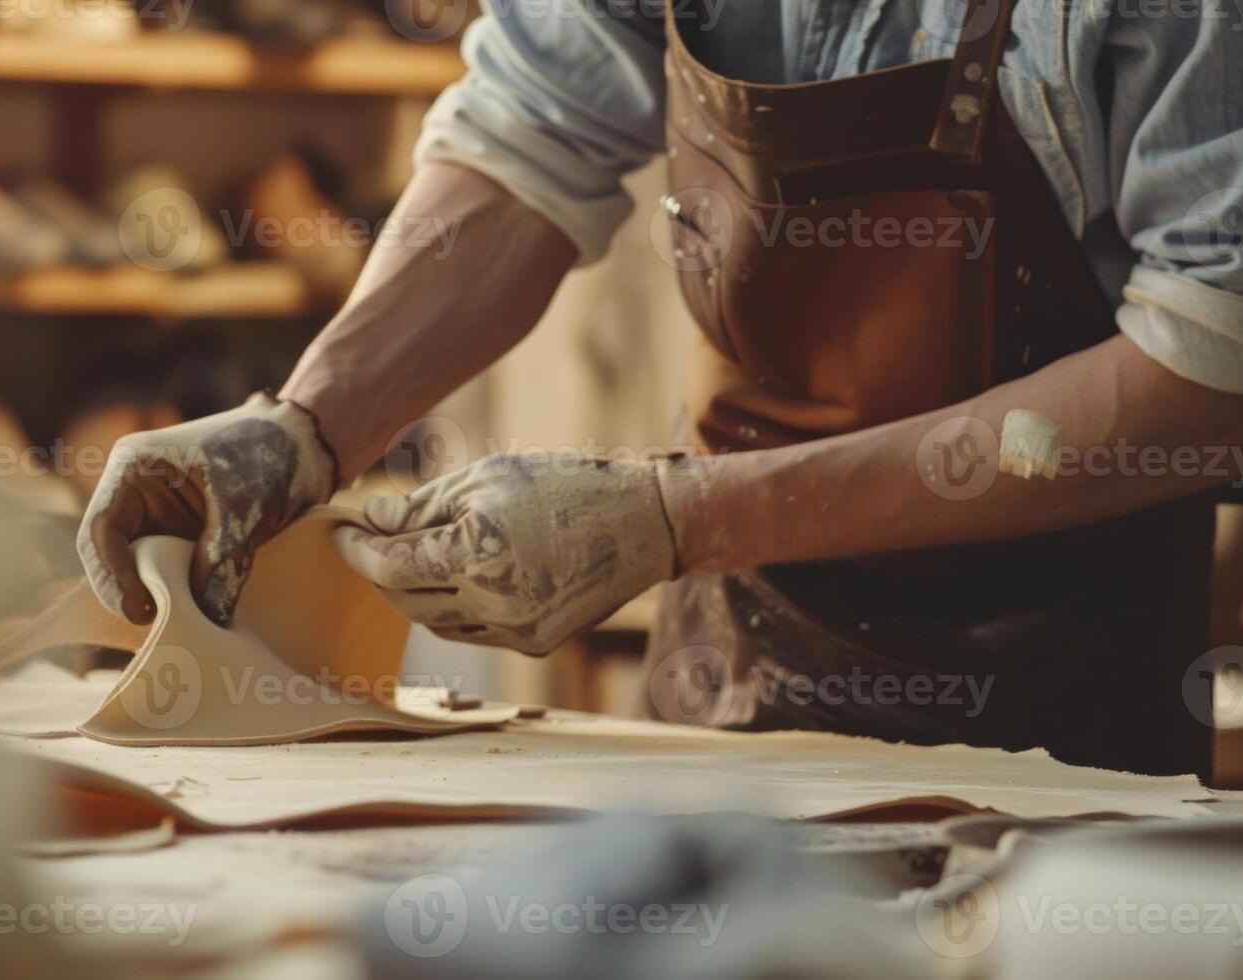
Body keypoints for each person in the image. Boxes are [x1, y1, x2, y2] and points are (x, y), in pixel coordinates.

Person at [78, 0, 1243, 775]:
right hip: (733, 659)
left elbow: (1212, 365)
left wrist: (684, 516)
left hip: (1057, 713)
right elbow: (531, 134)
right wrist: (303, 425)